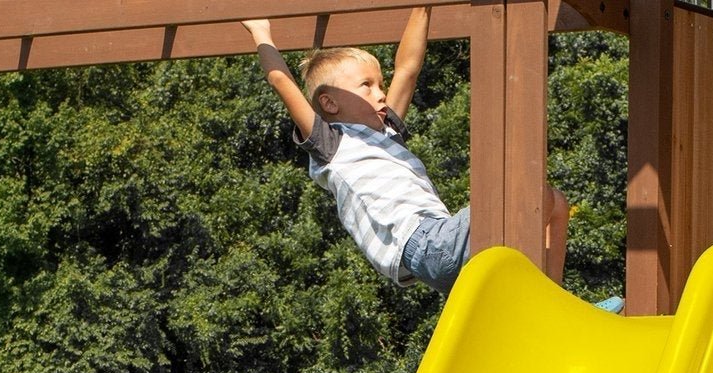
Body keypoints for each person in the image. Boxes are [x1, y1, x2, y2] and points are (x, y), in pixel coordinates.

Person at [242, 12, 623, 308]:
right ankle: (553, 306)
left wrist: (423, 8)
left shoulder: (385, 132)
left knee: (553, 201)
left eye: (380, 83)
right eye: (366, 86)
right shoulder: (333, 143)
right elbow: (281, 80)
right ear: (329, 103)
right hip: (425, 244)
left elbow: (408, 67)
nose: (381, 93)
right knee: (522, 194)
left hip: (441, 247)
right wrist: (261, 32)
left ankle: (553, 305)